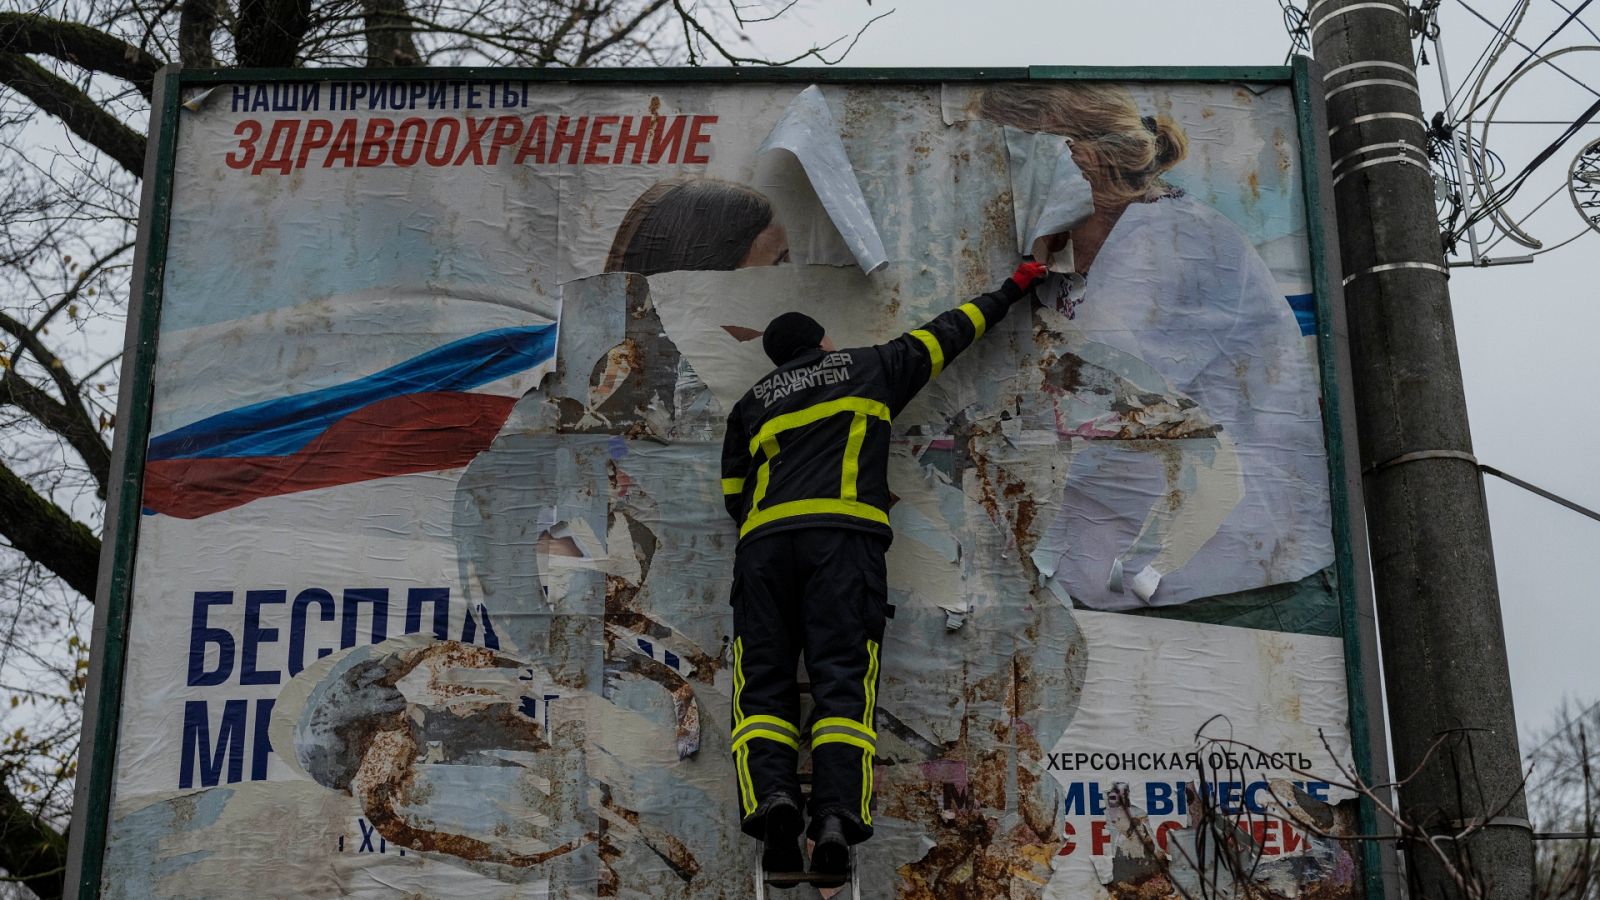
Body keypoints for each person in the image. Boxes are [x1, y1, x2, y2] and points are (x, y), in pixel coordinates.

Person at [718, 260, 1048, 884]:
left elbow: (734, 493)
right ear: (823, 343)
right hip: (843, 546)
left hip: (762, 549)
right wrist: (1016, 284)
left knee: (762, 688)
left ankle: (776, 803)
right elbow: (953, 331)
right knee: (842, 683)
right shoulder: (869, 367)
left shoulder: (751, 403)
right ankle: (836, 816)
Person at [978, 83, 1334, 608]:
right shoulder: (1071, 263)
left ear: (1081, 159)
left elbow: (1085, 411)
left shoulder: (1173, 242)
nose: (988, 193)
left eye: (999, 165)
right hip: (1143, 588)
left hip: (1236, 591)